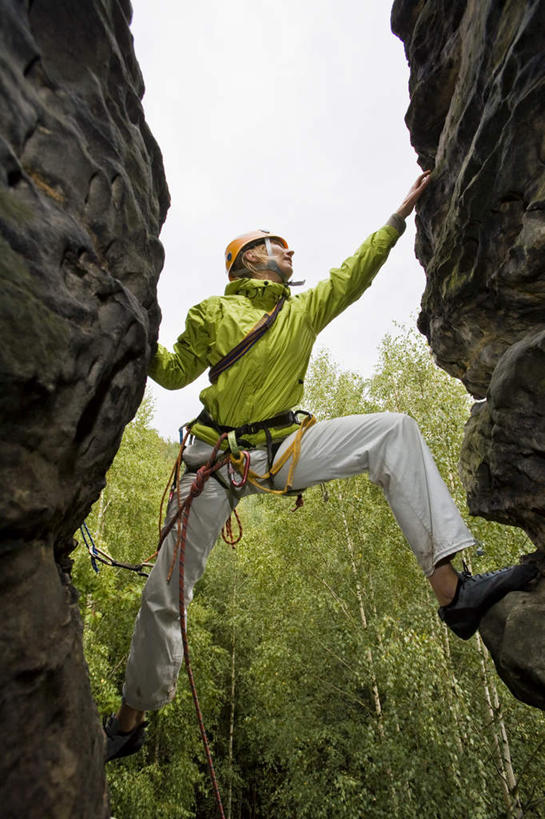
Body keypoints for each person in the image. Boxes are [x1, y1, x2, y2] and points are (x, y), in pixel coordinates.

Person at [104, 171, 538, 761]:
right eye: (276, 244)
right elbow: (174, 371)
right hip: (216, 459)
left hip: (282, 448)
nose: (289, 251)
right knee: (165, 593)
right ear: (250, 257)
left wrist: (396, 219)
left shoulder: (300, 311)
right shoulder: (212, 312)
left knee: (394, 432)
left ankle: (453, 591)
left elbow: (352, 275)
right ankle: (129, 723)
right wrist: (131, 329)